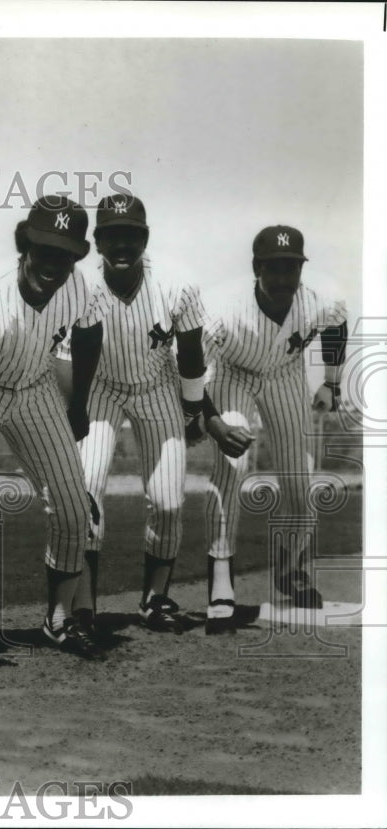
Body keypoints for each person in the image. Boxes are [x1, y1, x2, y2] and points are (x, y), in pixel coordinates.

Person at [0, 196, 107, 660]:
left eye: (65, 255)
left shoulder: (79, 289)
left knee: (75, 509)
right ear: (23, 247)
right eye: (44, 250)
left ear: (76, 258)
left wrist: (79, 404)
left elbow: (91, 334)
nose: (53, 264)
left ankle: (58, 620)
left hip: (35, 388)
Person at [64, 194, 207, 635]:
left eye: (131, 236)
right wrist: (74, 411)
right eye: (112, 236)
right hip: (101, 388)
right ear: (98, 242)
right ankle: (84, 606)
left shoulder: (177, 283)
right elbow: (69, 362)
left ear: (144, 239)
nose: (122, 245)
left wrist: (192, 410)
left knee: (167, 500)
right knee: (85, 491)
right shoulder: (79, 287)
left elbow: (191, 352)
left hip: (157, 389)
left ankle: (155, 599)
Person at [198, 224, 348, 633]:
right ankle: (221, 583)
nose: (284, 278)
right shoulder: (221, 310)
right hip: (234, 375)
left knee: (302, 485)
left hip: (284, 375)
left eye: (292, 268)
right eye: (275, 268)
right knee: (233, 469)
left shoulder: (318, 301)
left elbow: (337, 323)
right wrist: (211, 422)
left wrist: (331, 382)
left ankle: (289, 568)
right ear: (256, 267)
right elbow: (191, 372)